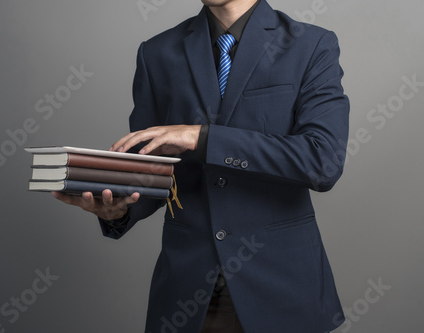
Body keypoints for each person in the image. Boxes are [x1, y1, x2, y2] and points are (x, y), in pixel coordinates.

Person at [52, 0, 349, 331]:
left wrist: (203, 138)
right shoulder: (157, 53)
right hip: (186, 294)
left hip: (282, 290)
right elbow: (150, 170)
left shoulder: (312, 45)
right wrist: (120, 209)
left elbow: (322, 161)